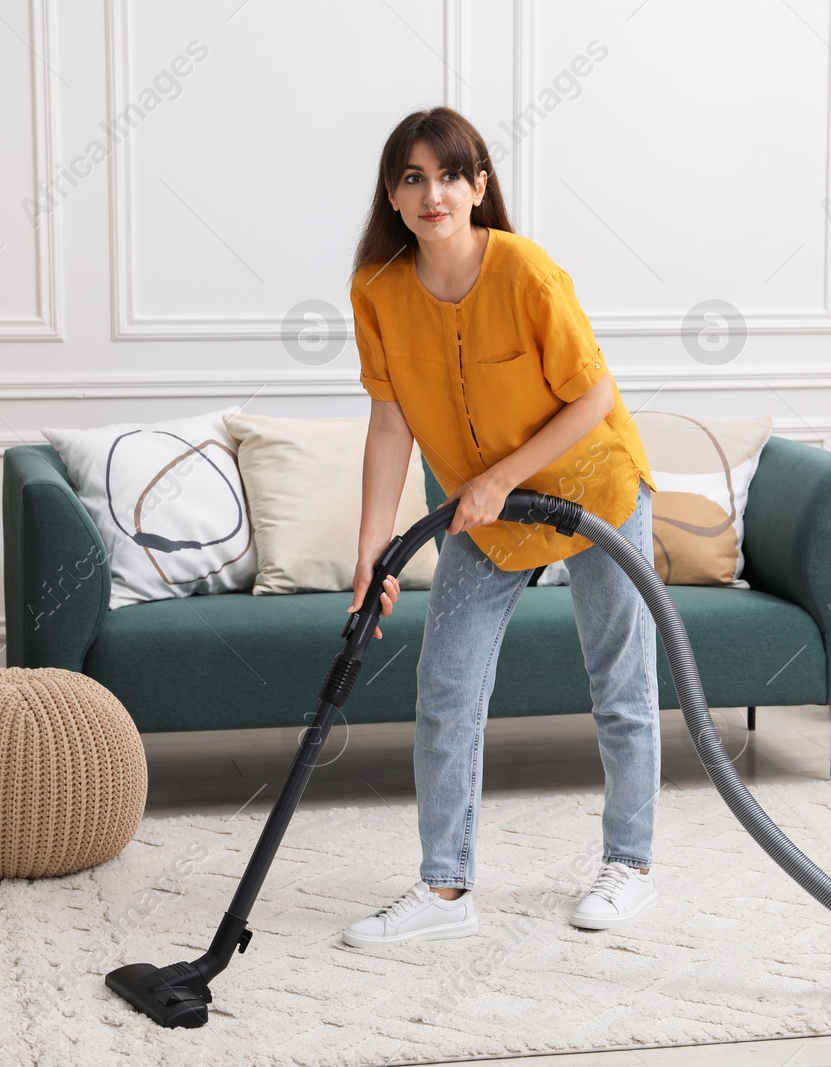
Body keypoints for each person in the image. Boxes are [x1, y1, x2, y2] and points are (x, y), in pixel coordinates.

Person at [341, 107, 661, 949]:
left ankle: (629, 864)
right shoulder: (376, 291)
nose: (432, 192)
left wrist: (497, 477)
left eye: (450, 175)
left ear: (480, 186)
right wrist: (374, 550)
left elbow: (593, 396)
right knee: (446, 686)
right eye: (413, 177)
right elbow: (388, 426)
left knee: (619, 685)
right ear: (394, 194)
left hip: (596, 495)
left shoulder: (524, 271)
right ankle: (445, 888)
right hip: (485, 520)